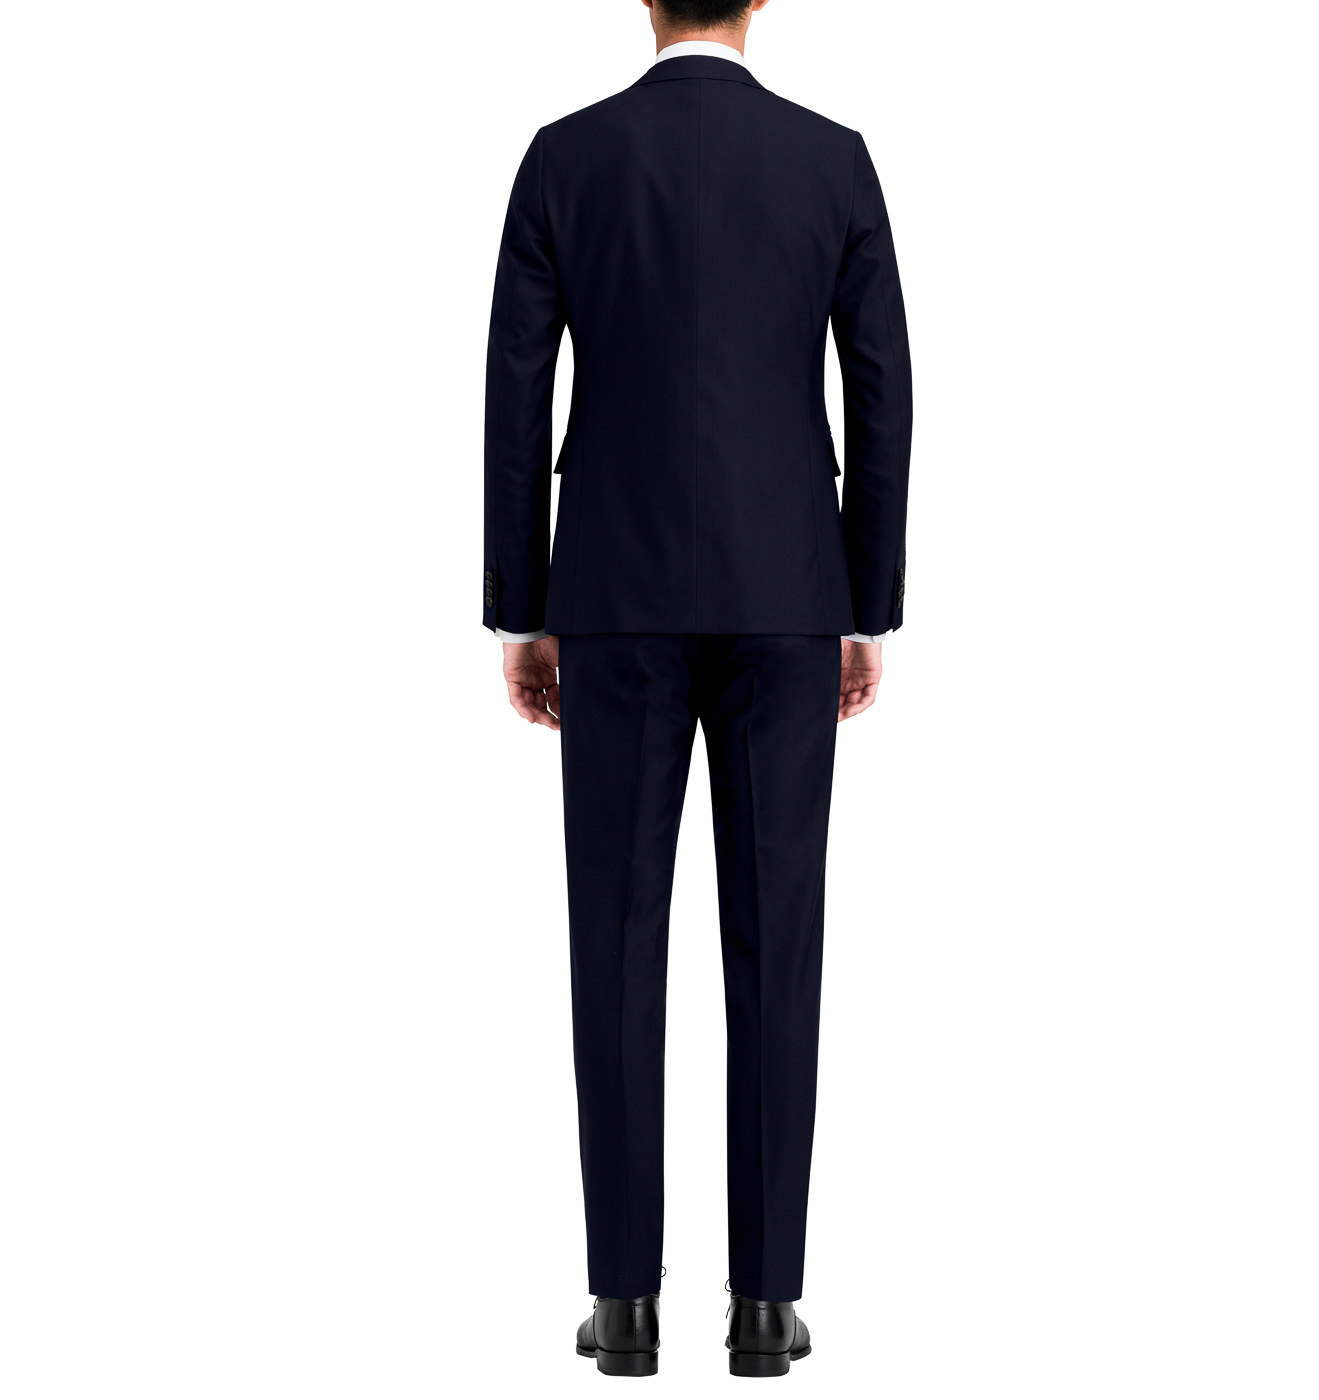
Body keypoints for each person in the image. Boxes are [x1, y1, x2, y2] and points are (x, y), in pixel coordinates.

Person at [483, 0, 911, 1377]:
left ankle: (624, 1306)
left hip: (612, 593)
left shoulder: (566, 157)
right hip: (790, 592)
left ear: (643, 0)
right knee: (778, 939)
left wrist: (523, 609)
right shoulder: (832, 159)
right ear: (760, 0)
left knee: (615, 939)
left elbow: (514, 391)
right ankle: (766, 1307)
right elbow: (883, 387)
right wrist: (865, 602)